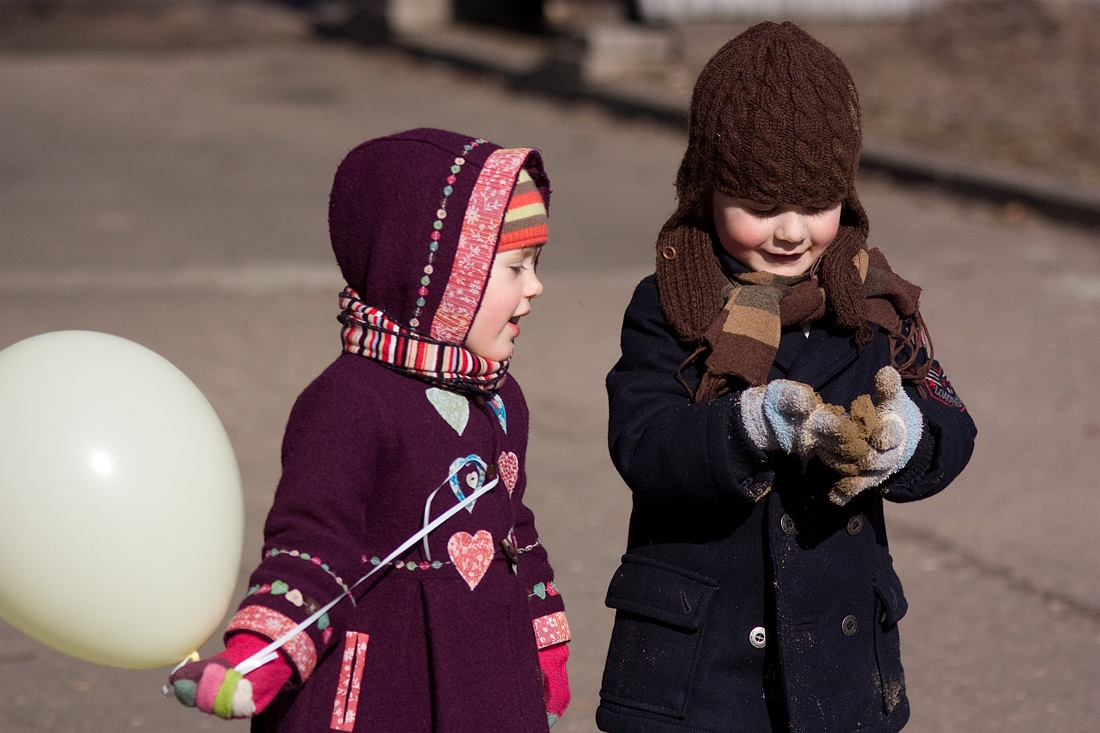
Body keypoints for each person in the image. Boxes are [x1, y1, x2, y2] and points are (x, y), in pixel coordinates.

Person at [595, 22, 976, 733]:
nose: (792, 232)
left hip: (838, 665)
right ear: (706, 187)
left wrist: (905, 438)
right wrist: (749, 424)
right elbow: (644, 443)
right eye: (761, 205)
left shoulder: (872, 301)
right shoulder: (670, 303)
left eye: (817, 203)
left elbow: (951, 419)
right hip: (698, 671)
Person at [167, 128, 571, 732]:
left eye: (535, 265)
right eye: (515, 267)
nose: (534, 288)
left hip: (488, 680)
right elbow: (311, 543)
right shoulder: (349, 402)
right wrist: (262, 655)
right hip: (382, 685)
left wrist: (543, 641)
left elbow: (513, 528)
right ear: (443, 282)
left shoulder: (499, 396)